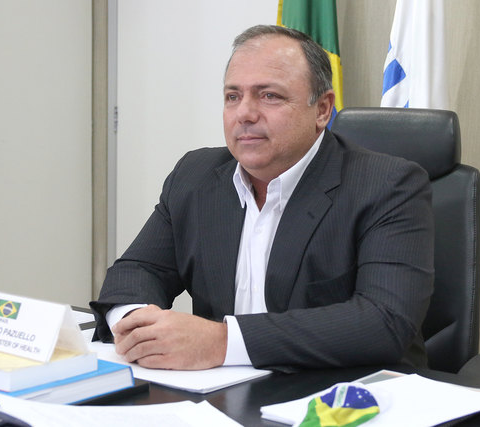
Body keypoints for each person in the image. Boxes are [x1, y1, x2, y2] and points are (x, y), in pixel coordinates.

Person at [90, 24, 434, 372]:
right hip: (220, 391)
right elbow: (138, 269)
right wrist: (137, 324)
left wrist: (222, 342)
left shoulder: (388, 185)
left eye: (269, 96)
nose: (245, 114)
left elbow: (384, 321)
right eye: (233, 96)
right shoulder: (195, 175)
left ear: (322, 109)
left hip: (343, 393)